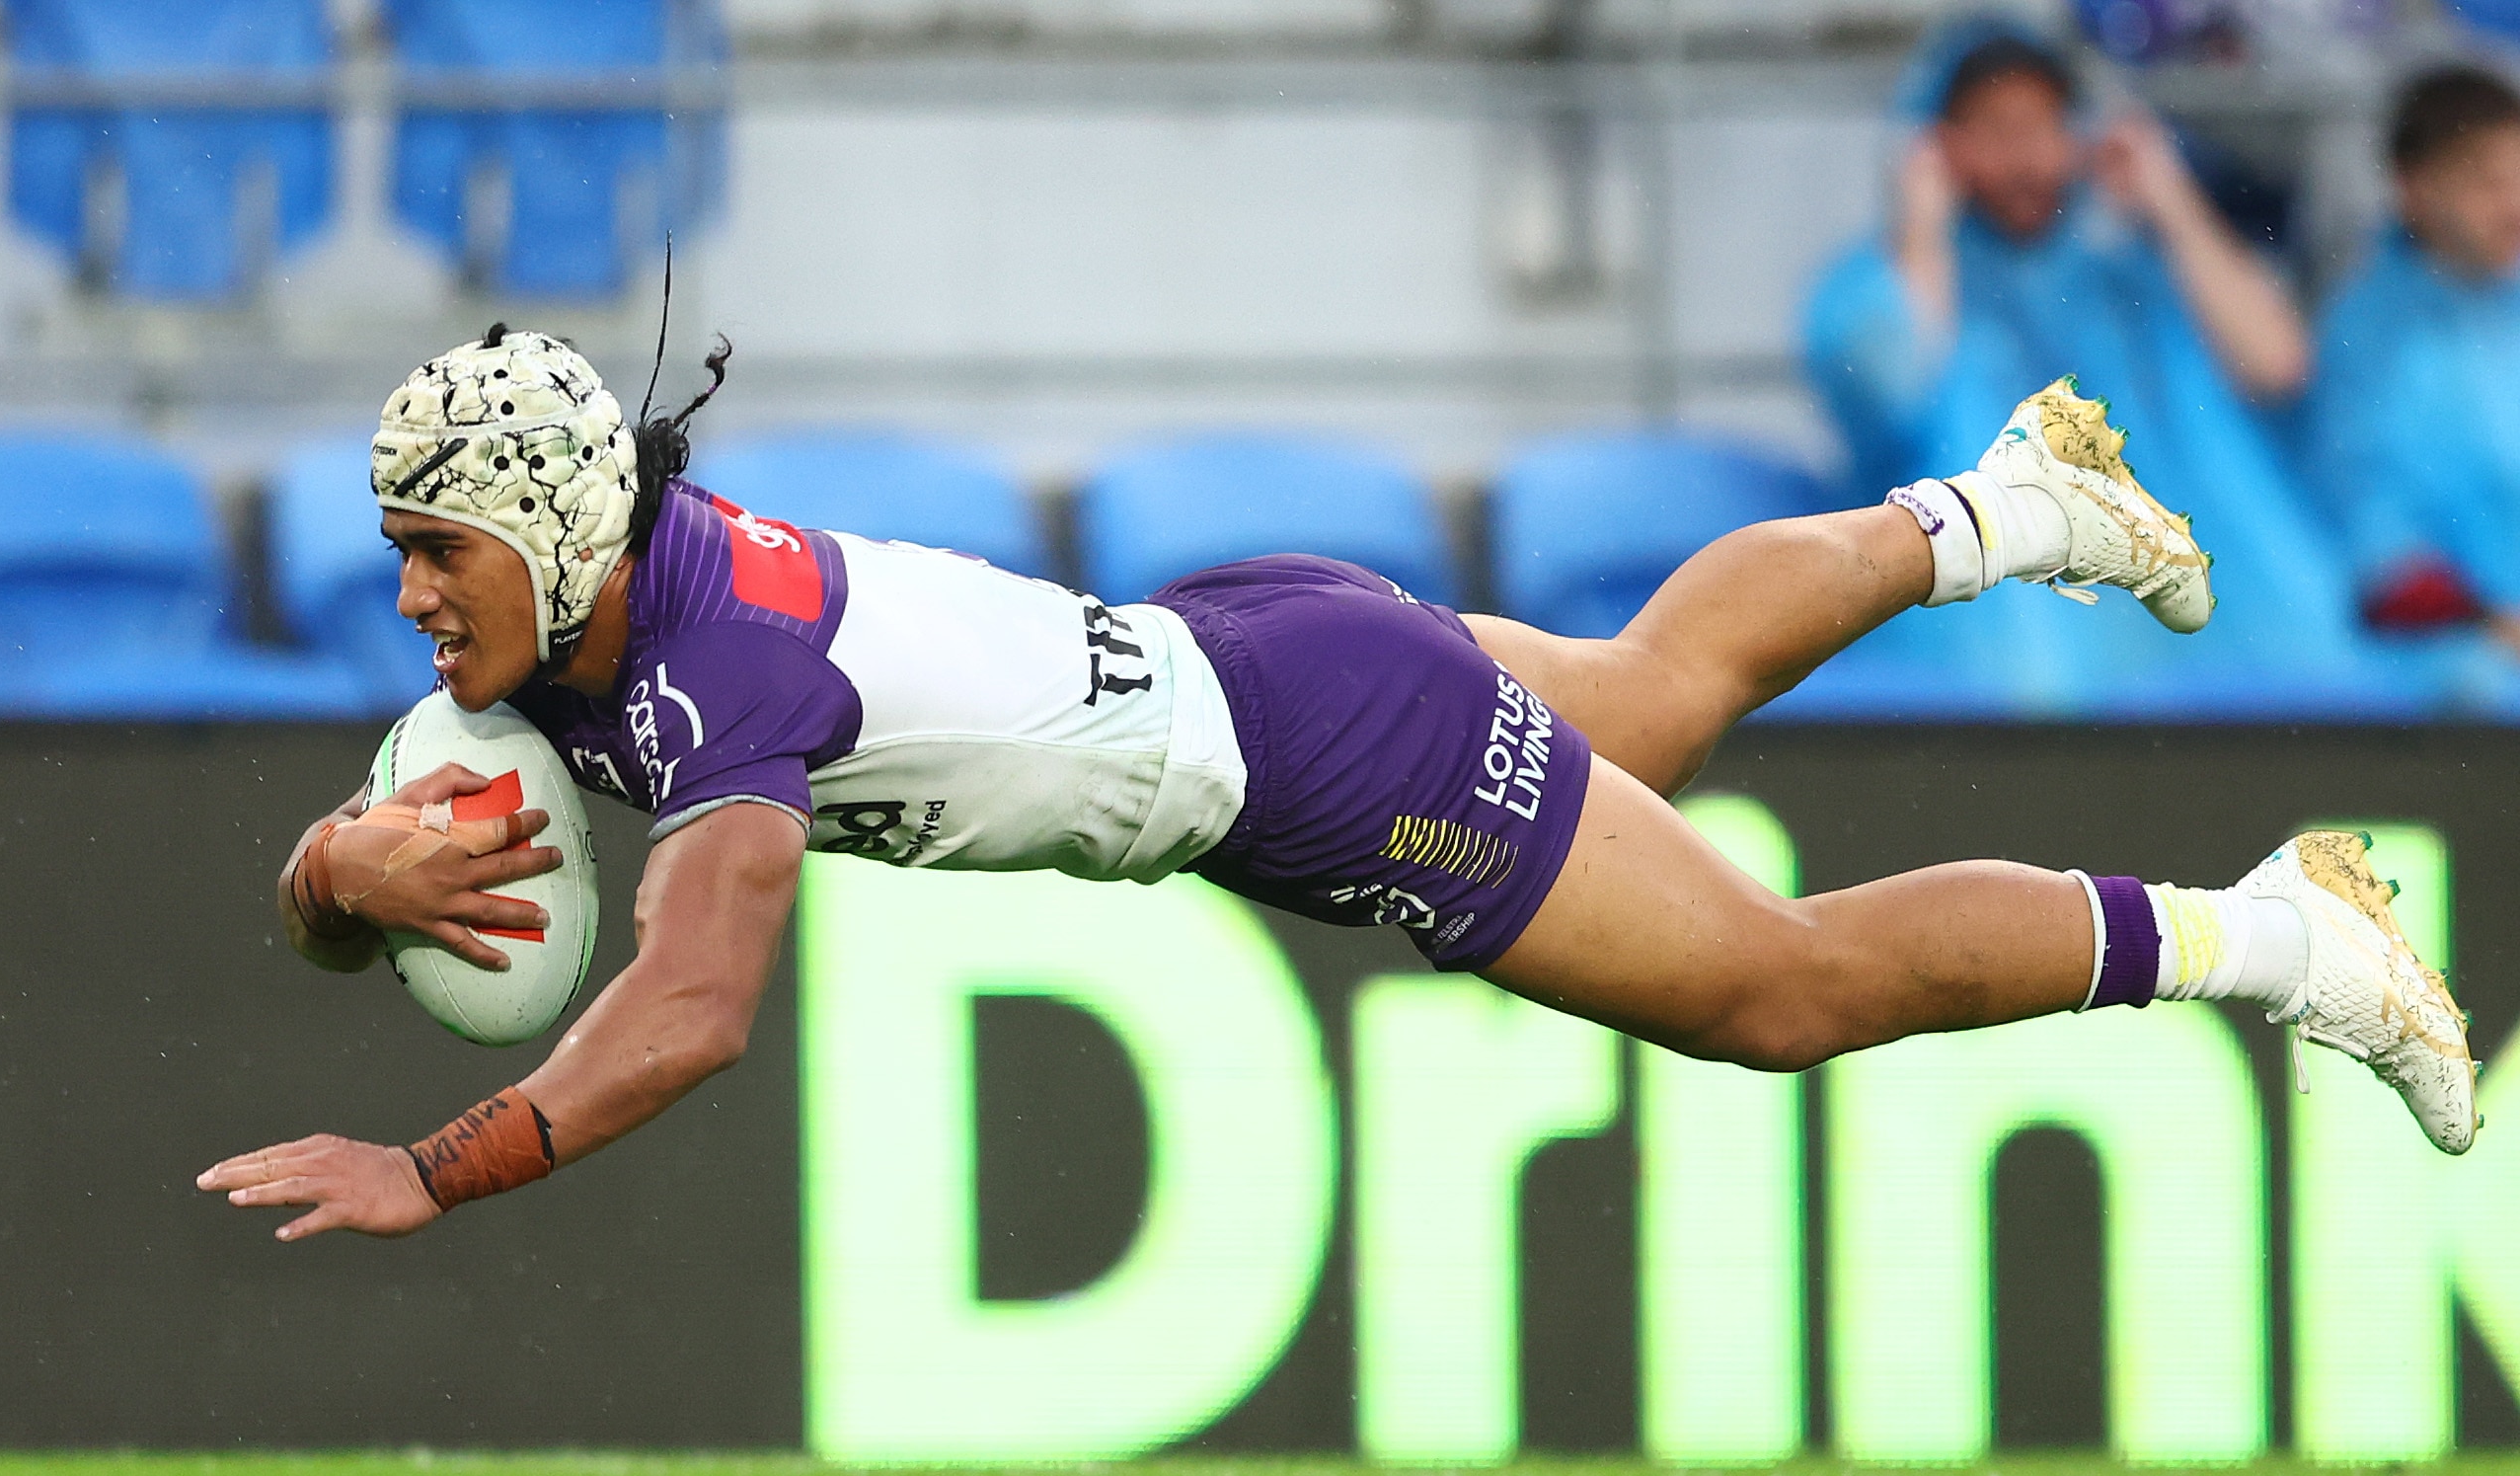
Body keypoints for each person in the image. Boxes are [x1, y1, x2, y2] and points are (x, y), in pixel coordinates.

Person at [199, 328, 2475, 1246]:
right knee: (1650, 698)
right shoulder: (588, 615)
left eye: (433, 551)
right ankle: (2003, 506)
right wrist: (325, 873)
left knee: (1773, 990)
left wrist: (440, 1167)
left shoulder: (716, 675)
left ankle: (2286, 931)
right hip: (1249, 633)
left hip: (1301, 744)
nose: (407, 598)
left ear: (549, 527)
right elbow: (401, 873)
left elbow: (690, 1008)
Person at [1800, 20, 2350, 696]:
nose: (2024, 159)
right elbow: (1892, 386)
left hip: (2208, 648)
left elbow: (2276, 364)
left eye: (2042, 127)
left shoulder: (2134, 275)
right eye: (1994, 132)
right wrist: (1920, 221)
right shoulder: (1879, 284)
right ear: (1938, 145)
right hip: (1994, 665)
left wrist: (2169, 200)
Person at [2311, 66, 2520, 657]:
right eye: (2485, 181)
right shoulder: (2365, 337)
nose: (2513, 204)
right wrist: (2485, 622)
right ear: (2414, 188)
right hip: (2445, 678)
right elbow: (2375, 538)